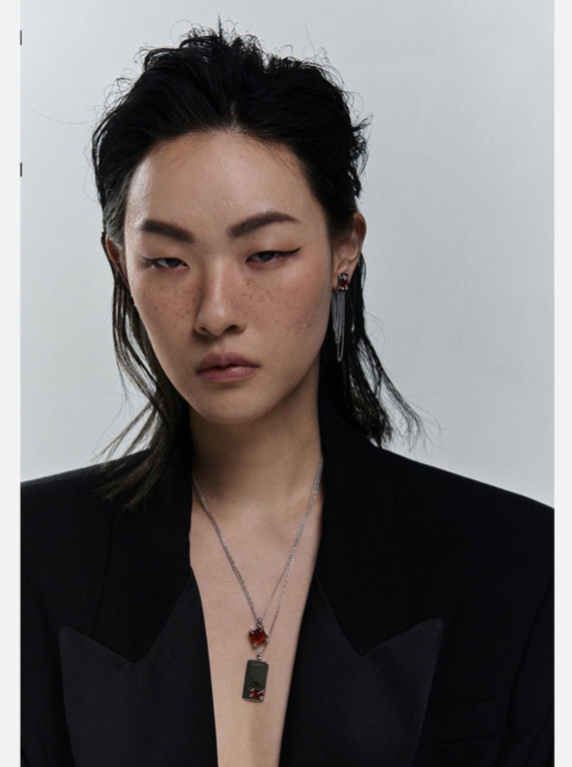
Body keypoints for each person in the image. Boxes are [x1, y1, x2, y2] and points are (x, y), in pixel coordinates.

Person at [21, 24, 553, 767]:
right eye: (168, 260)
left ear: (344, 249)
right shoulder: (28, 556)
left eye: (266, 253)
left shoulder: (518, 564)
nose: (215, 312)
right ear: (120, 264)